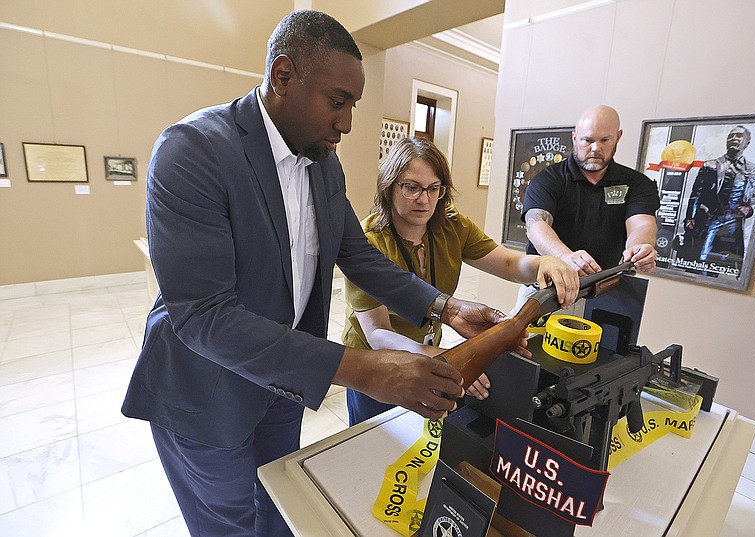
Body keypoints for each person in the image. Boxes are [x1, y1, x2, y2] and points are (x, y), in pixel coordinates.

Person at [121, 11, 513, 537]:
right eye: (337, 101)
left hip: (280, 387)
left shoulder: (323, 164)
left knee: (281, 509)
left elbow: (359, 254)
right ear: (283, 76)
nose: (347, 123)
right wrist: (367, 369)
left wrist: (447, 307)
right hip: (204, 393)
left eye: (351, 104)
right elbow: (205, 319)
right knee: (230, 525)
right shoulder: (193, 152)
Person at [343, 137, 580, 426]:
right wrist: (452, 361)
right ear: (388, 186)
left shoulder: (452, 226)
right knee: (372, 444)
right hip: (377, 363)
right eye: (411, 187)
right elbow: (377, 334)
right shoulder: (367, 241)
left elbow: (508, 263)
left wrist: (544, 262)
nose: (424, 199)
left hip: (429, 350)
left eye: (434, 189)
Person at [521, 105, 660, 276]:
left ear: (618, 137)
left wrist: (639, 249)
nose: (595, 148)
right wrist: (566, 258)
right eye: (587, 140)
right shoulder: (547, 180)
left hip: (607, 284)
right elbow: (536, 225)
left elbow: (642, 224)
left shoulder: (638, 184)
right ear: (574, 137)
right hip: (549, 284)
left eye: (604, 140)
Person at [684, 125, 755, 272]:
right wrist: (690, 217)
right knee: (701, 259)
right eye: (731, 136)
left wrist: (749, 209)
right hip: (711, 218)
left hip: (734, 221)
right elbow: (696, 193)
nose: (734, 139)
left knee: (730, 263)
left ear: (747, 142)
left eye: (738, 136)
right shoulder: (710, 165)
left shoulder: (753, 169)